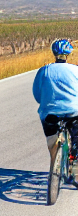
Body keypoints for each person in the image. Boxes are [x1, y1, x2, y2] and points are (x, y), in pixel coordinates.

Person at [33, 37, 78, 177]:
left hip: (50, 113)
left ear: (54, 53)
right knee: (76, 137)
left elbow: (37, 93)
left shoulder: (44, 70)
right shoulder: (75, 70)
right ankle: (75, 161)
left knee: (51, 135)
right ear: (68, 54)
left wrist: (44, 103)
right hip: (73, 112)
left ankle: (54, 154)